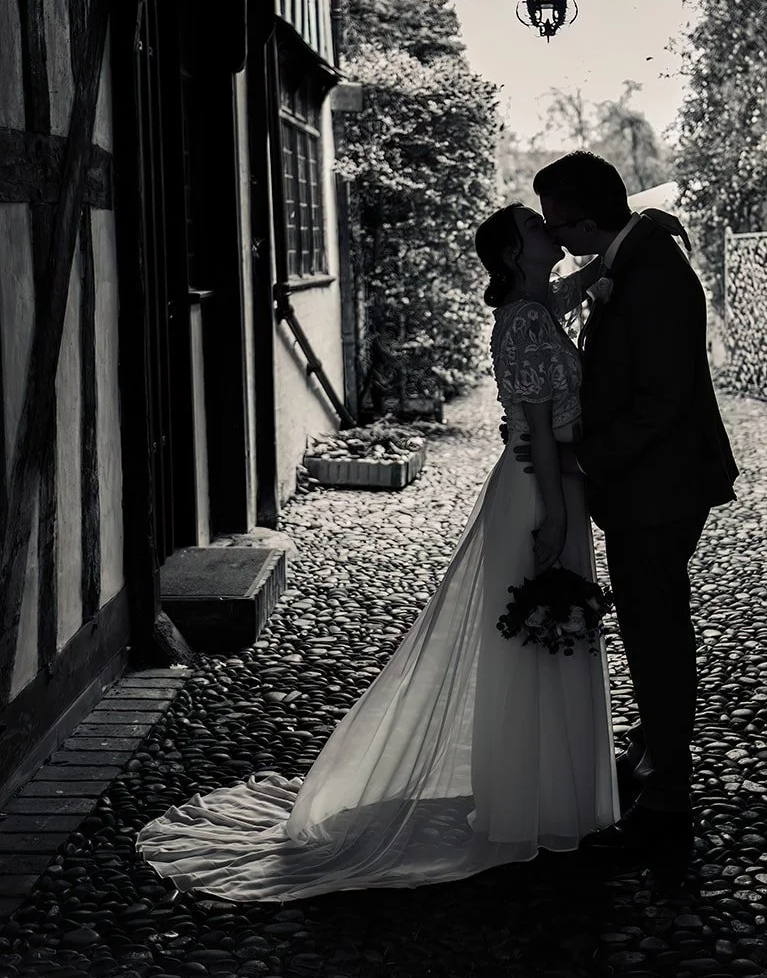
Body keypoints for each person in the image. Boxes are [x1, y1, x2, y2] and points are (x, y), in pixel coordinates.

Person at [136, 206, 619, 900]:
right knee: (534, 638)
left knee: (544, 638)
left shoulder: (535, 305)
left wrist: (617, 255)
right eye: (536, 226)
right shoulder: (525, 319)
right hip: (541, 488)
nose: (552, 228)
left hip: (548, 483)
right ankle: (535, 799)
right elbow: (538, 426)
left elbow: (568, 294)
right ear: (515, 252)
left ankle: (544, 792)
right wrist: (550, 514)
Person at [522, 152, 738, 856]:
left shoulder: (652, 275)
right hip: (648, 483)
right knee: (649, 623)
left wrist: (581, 461)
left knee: (657, 631)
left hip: (660, 485)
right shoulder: (634, 249)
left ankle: (669, 785)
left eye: (559, 226)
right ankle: (650, 750)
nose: (556, 241)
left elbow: (662, 403)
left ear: (588, 221)